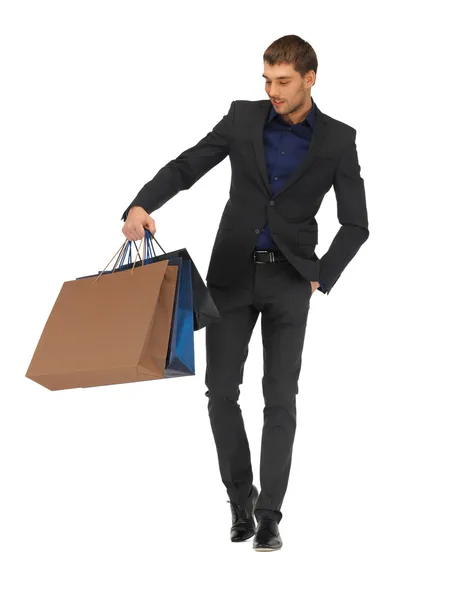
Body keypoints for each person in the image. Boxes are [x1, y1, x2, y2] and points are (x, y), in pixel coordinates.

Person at [121, 34, 369, 552]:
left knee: (280, 397)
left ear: (309, 79)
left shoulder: (338, 140)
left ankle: (270, 514)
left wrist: (324, 272)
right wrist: (140, 204)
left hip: (290, 281)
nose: (272, 90)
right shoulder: (242, 117)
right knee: (220, 393)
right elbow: (187, 165)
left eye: (282, 81)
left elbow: (356, 223)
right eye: (266, 79)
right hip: (231, 276)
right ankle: (240, 500)